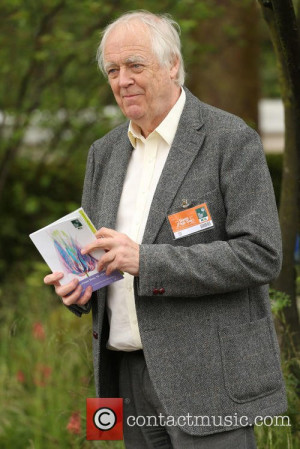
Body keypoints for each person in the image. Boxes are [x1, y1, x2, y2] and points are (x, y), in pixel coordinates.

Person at [44, 10, 287, 449]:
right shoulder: (104, 153)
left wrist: (146, 260)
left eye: (135, 65)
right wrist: (79, 286)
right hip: (126, 377)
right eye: (113, 71)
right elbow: (100, 259)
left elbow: (261, 254)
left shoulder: (229, 139)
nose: (123, 81)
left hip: (208, 379)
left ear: (172, 64)